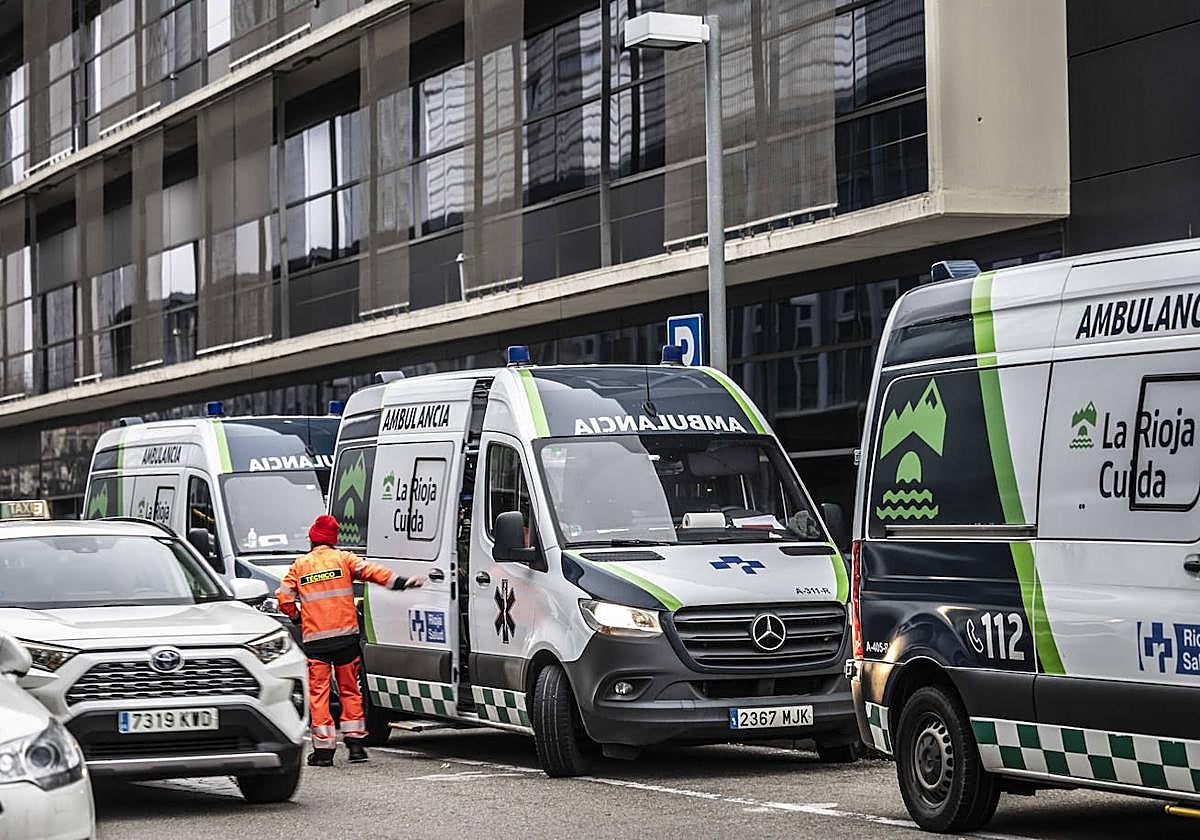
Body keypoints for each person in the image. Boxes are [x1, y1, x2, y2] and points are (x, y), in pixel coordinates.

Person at [276, 514, 426, 767]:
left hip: (316, 643)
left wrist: (298, 617)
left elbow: (284, 598)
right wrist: (400, 582)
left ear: (312, 539)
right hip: (346, 639)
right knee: (350, 691)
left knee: (319, 694)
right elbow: (372, 572)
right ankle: (356, 746)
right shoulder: (344, 559)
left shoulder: (299, 566)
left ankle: (324, 752)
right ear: (333, 540)